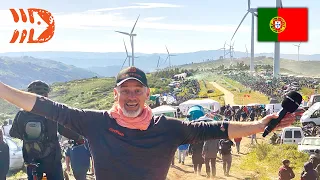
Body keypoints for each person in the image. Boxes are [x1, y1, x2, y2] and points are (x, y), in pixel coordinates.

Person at [0, 66, 296, 180]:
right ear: (116, 94)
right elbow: (44, 106)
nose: (131, 97)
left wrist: (259, 125)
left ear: (146, 94)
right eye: (125, 91)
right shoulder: (94, 122)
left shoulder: (168, 127)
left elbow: (220, 129)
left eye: (137, 90)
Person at [9, 80, 81, 180]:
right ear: (46, 95)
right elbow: (64, 130)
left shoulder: (22, 113)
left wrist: (29, 137)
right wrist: (79, 138)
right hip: (52, 159)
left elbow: (13, 133)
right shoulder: (51, 112)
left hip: (31, 158)